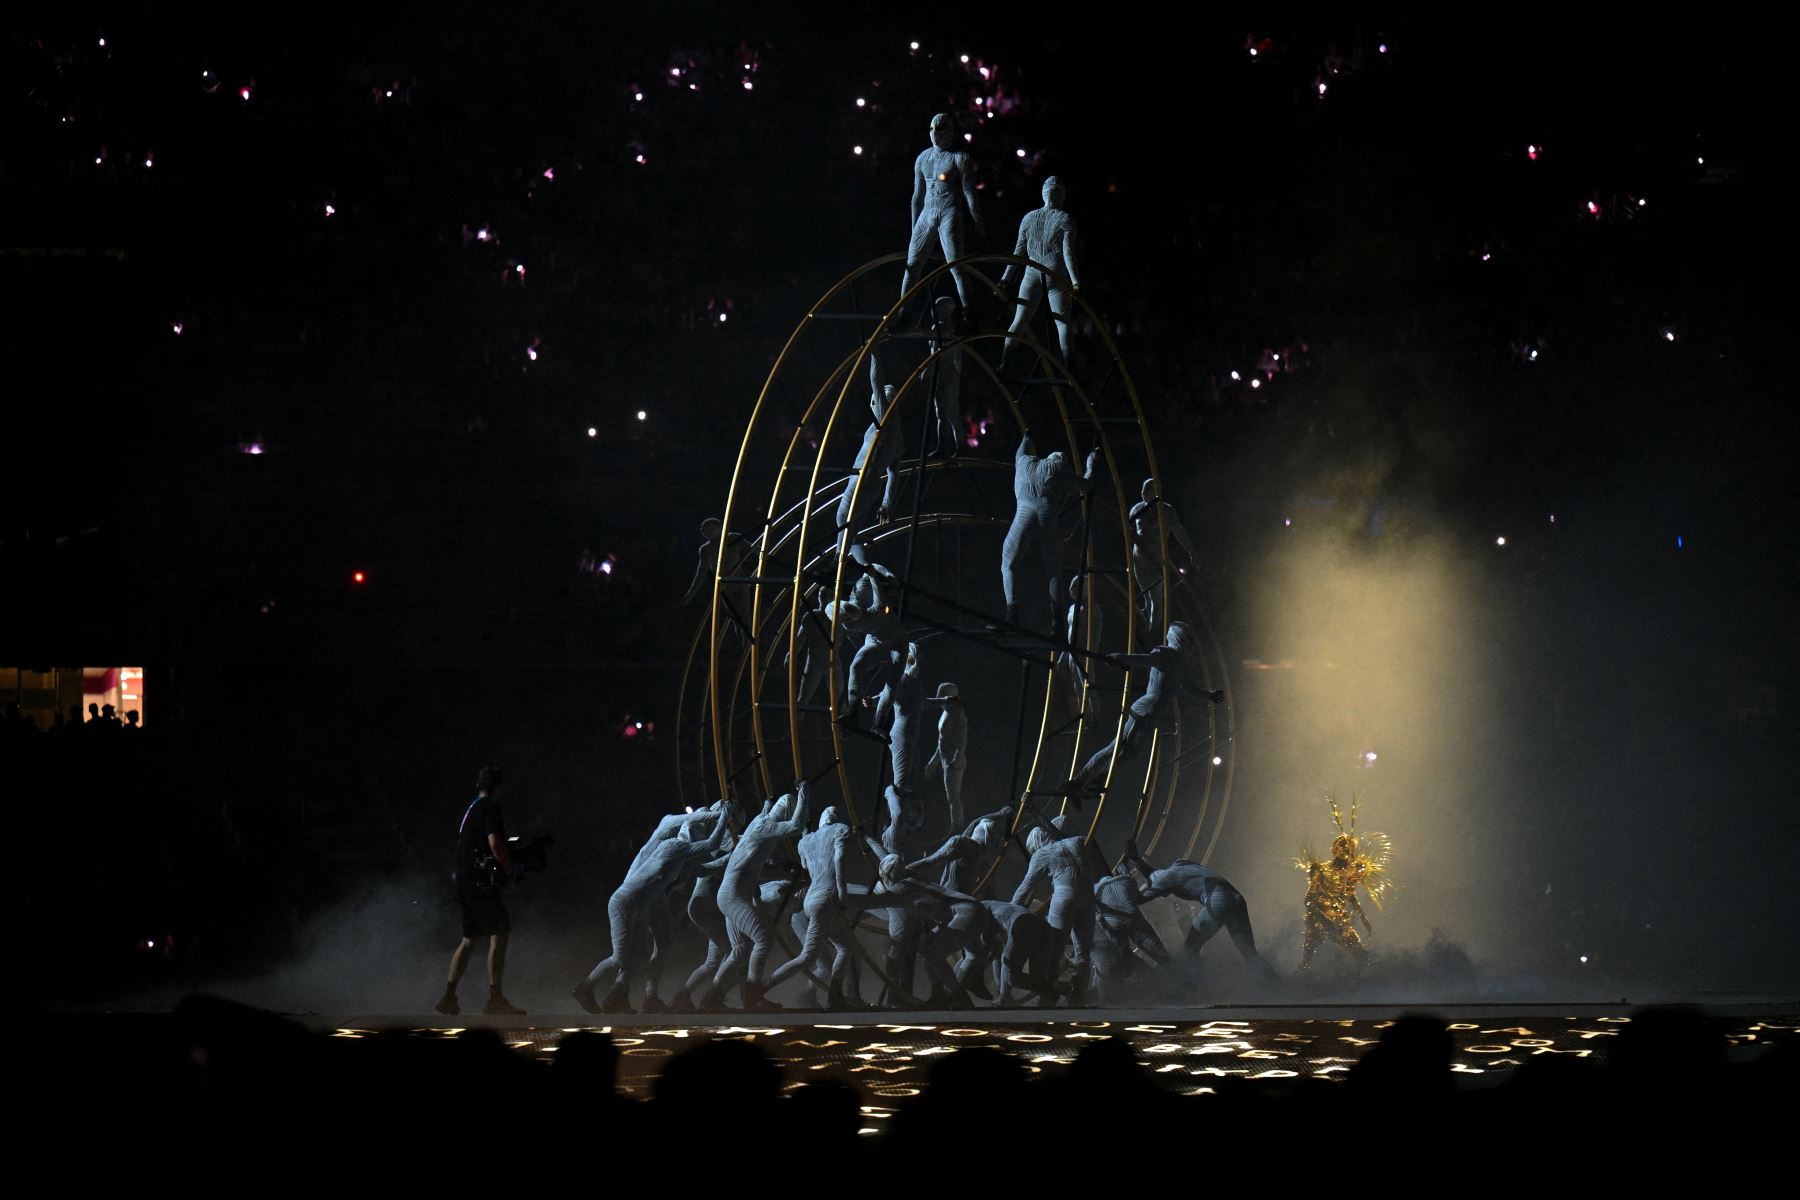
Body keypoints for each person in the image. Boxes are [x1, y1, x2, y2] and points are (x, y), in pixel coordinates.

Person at [1066, 621, 1222, 805]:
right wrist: (1119, 657)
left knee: (1125, 751)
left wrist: (1208, 695)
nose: (1191, 645)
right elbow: (1142, 660)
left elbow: (1187, 686)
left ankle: (1087, 782)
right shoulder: (1165, 655)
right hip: (1146, 710)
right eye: (1188, 640)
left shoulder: (1178, 663)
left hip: (1152, 713)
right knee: (1116, 749)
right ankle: (1082, 782)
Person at [436, 766, 525, 1016]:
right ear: (499, 787)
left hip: (464, 881)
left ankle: (449, 996)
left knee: (469, 939)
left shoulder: (471, 809)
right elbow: (495, 843)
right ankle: (495, 999)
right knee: (500, 933)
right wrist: (508, 873)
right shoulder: (490, 808)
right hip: (479, 883)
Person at [1124, 841, 1278, 981]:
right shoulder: (1181, 865)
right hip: (1236, 898)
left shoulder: (1163, 880)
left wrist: (1120, 882)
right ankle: (1275, 984)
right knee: (1249, 953)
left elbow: (1137, 899)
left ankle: (1197, 985)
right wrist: (1136, 859)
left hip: (1218, 900)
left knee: (1190, 948)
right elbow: (1152, 874)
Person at [1000, 437, 1096, 635]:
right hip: (1046, 518)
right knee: (1054, 571)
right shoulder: (1058, 467)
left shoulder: (1023, 462)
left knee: (1008, 564)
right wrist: (1090, 464)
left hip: (1024, 515)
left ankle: (1012, 612)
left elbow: (1022, 446)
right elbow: (1086, 485)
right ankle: (1058, 623)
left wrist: (1027, 435)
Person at [900, 112, 983, 318]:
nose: (935, 133)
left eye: (940, 128)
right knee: (911, 266)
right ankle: (904, 315)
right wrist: (913, 229)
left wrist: (979, 224)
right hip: (927, 212)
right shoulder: (923, 158)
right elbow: (917, 197)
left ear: (951, 132)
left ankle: (970, 315)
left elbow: (970, 194)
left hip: (949, 211)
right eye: (932, 128)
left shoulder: (960, 158)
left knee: (956, 266)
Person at [1297, 794, 1393, 970]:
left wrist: (1364, 919)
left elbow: (1350, 896)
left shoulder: (1349, 874)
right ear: (1334, 849)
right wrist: (1321, 917)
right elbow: (1308, 899)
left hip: (1339, 922)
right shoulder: (1319, 869)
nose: (1345, 850)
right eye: (1342, 846)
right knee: (1307, 963)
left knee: (1362, 958)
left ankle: (1353, 988)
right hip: (1318, 921)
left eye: (1349, 848)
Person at [1011, 825, 1098, 1005]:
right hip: (1089, 899)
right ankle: (1078, 995)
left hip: (1064, 898)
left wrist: (1010, 911)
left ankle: (1048, 996)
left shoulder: (1041, 854)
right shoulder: (1078, 841)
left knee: (1052, 951)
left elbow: (1025, 888)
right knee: (1083, 952)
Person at [1001, 176, 1082, 367]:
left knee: (1020, 320)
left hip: (1033, 273)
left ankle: (1004, 363)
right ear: (1060, 196)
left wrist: (1006, 278)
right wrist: (1075, 281)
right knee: (1062, 323)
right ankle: (1069, 366)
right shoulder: (1065, 219)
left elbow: (1017, 253)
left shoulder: (1029, 217)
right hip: (1054, 273)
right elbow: (1068, 254)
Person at [1128, 478, 1198, 633]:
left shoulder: (1166, 511)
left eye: (1148, 490)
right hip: (1138, 559)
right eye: (1144, 490)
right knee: (1145, 595)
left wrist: (1191, 552)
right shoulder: (1136, 509)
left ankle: (1154, 630)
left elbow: (1179, 532)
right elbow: (1129, 532)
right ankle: (1148, 628)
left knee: (1155, 597)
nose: (1144, 493)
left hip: (1156, 559)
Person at [922, 682, 968, 829]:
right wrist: (934, 762)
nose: (939, 698)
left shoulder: (957, 713)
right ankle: (955, 827)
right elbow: (941, 740)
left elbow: (962, 737)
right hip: (946, 758)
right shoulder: (945, 713)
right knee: (951, 797)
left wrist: (957, 756)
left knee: (954, 797)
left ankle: (958, 829)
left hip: (953, 761)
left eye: (942, 695)